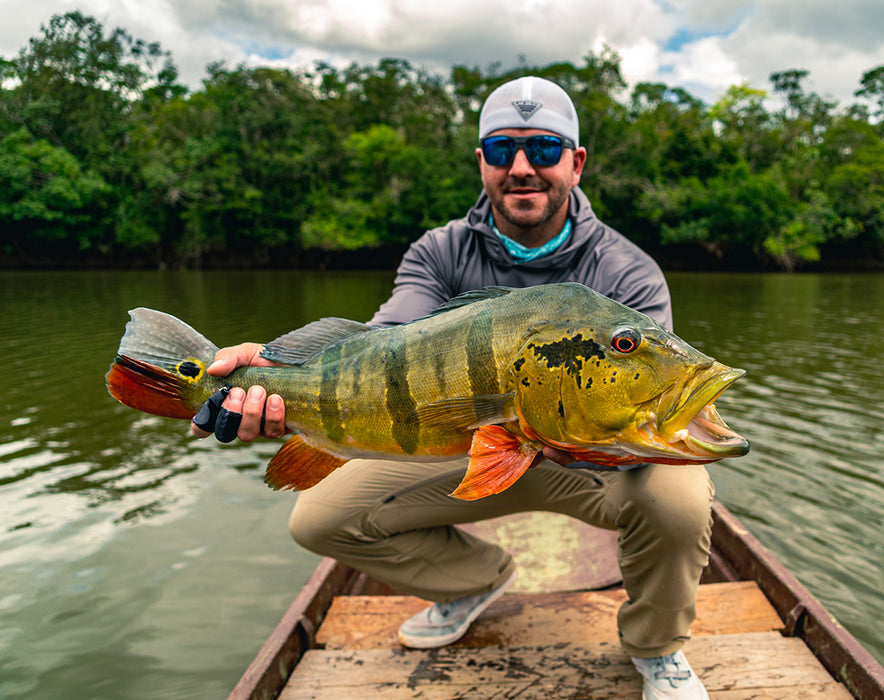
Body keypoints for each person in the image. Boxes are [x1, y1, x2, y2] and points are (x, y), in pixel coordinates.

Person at [193, 76, 713, 700]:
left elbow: (645, 397)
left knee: (681, 496)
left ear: (575, 163)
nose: (522, 168)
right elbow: (387, 340)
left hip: (595, 458)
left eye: (544, 150)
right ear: (482, 164)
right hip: (469, 439)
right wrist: (274, 368)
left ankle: (656, 648)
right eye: (502, 152)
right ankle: (472, 578)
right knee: (320, 518)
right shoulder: (439, 252)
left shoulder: (627, 272)